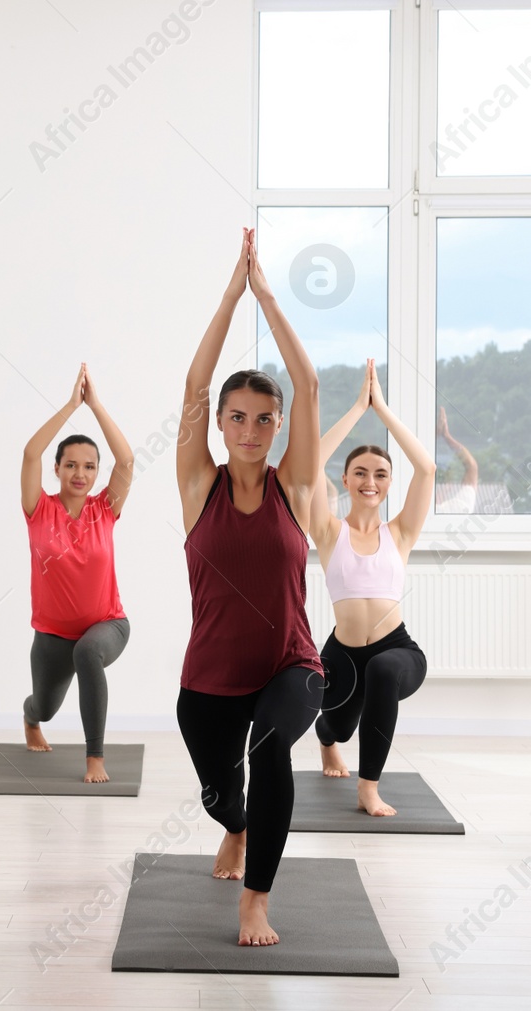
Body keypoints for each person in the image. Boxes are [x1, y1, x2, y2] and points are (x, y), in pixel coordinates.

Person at [175, 229, 325, 947]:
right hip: (208, 675)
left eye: (265, 418)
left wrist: (268, 297)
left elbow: (312, 385)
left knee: (270, 750)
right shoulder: (197, 484)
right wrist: (231, 295)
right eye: (237, 417)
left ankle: (256, 899)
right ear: (223, 423)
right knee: (218, 793)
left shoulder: (292, 486)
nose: (250, 428)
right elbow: (193, 388)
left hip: (289, 666)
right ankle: (234, 825)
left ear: (277, 426)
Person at [307, 359, 435, 816]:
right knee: (336, 726)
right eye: (360, 472)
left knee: (382, 669)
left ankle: (369, 787)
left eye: (380, 474)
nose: (369, 481)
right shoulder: (326, 530)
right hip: (342, 654)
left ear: (387, 485)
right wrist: (356, 408)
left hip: (396, 650)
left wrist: (381, 410)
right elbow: (311, 460)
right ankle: (328, 743)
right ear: (345, 480)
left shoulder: (399, 534)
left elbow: (427, 468)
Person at [20, 363, 134, 783]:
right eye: (71, 465)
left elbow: (126, 459)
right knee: (44, 707)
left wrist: (95, 405)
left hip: (107, 624)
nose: (80, 474)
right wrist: (71, 406)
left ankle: (94, 757)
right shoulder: (39, 509)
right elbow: (31, 452)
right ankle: (29, 718)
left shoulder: (105, 509)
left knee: (88, 653)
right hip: (51, 635)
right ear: (57, 469)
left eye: (89, 466)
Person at [435, 405, 479, 513]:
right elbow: (471, 467)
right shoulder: (462, 508)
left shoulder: (429, 513)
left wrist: (435, 436)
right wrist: (446, 436)